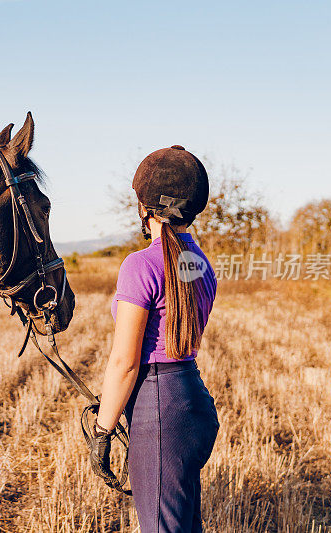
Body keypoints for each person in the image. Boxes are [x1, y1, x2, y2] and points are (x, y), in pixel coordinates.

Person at [89, 145, 220, 532]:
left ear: (146, 209)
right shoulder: (201, 264)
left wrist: (103, 429)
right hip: (191, 398)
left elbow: (125, 363)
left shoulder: (140, 265)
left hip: (158, 407)